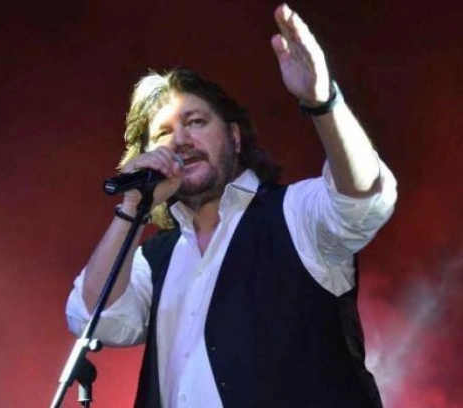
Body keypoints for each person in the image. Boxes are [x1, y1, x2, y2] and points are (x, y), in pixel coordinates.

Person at [66, 3, 397, 407]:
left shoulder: (293, 214)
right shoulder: (155, 258)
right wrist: (133, 205)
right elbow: (94, 317)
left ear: (235, 138)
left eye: (196, 122)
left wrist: (323, 103)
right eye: (163, 134)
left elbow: (362, 196)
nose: (180, 140)